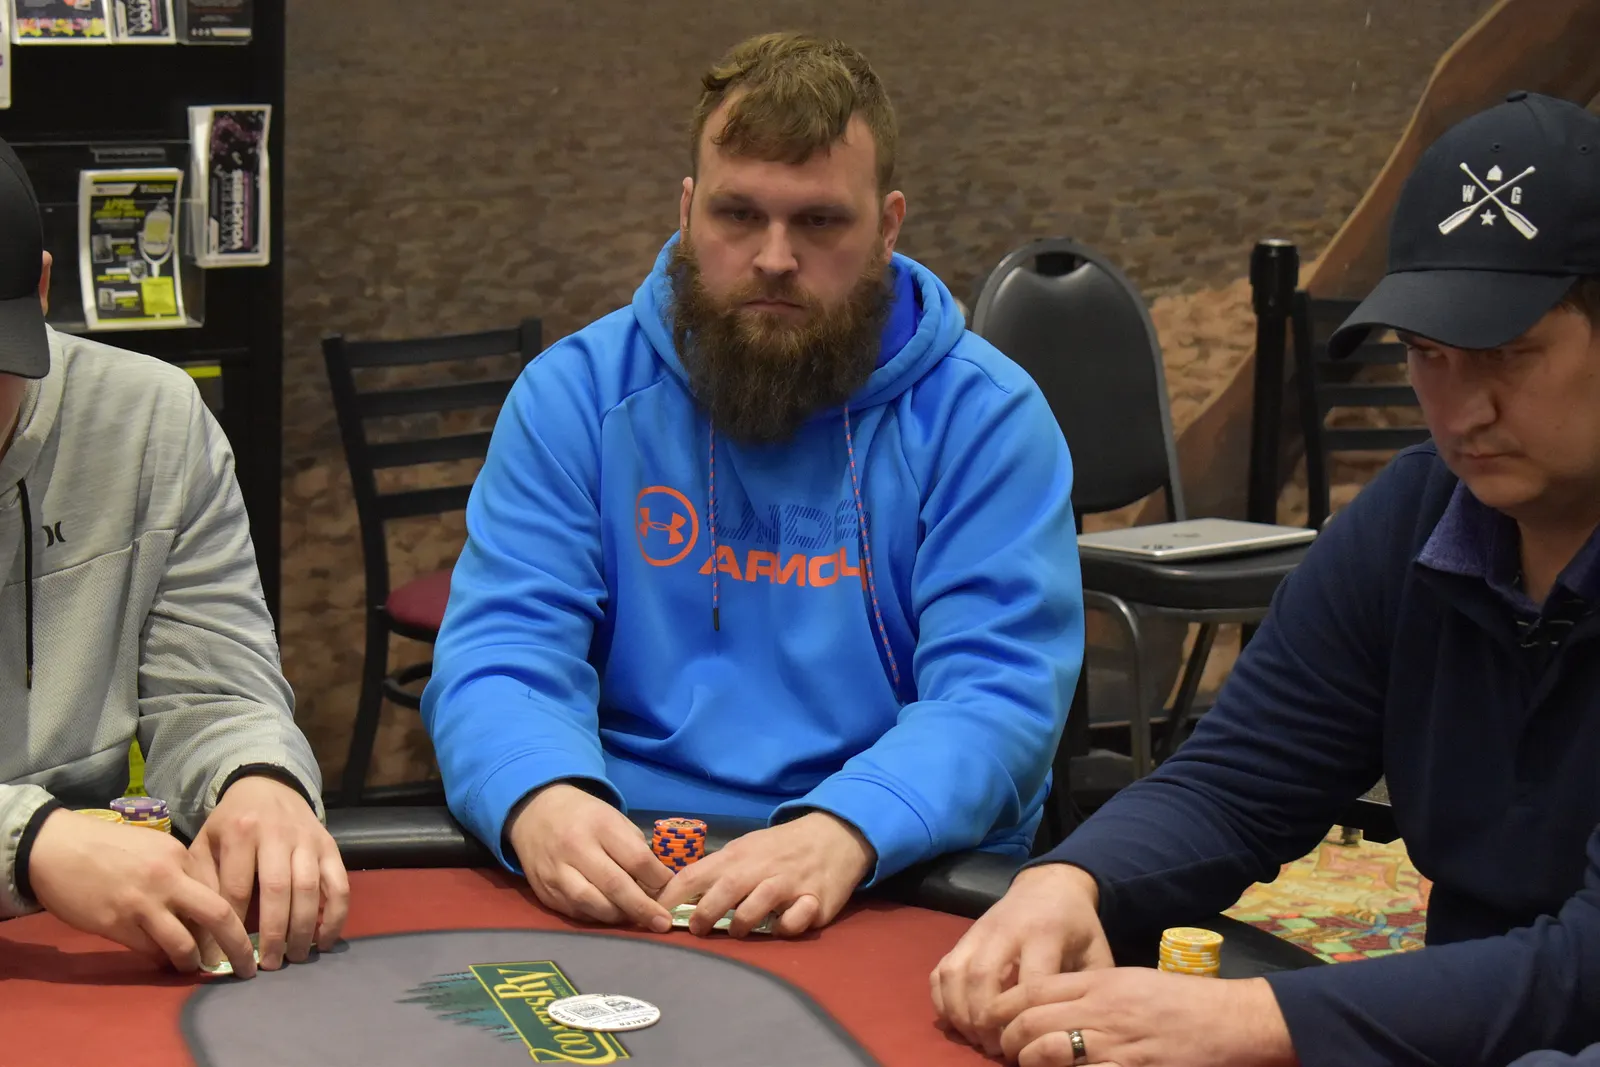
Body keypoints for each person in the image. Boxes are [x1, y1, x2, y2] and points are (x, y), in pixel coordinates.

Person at [930, 90, 1600, 1067]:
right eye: (1428, 354)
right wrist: (1069, 882)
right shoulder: (1412, 519)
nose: (1461, 411)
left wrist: (1254, 1018)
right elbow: (1237, 782)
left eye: (1506, 354)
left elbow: (1585, 964)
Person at [423, 31, 1082, 940]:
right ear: (688, 210)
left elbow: (998, 696)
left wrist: (848, 824)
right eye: (738, 215)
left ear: (888, 227)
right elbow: (502, 652)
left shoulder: (988, 419)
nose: (775, 257)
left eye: (820, 222)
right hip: (629, 847)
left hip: (893, 859)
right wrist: (540, 791)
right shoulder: (575, 396)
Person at [0, 137, 347, 978]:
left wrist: (257, 776)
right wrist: (29, 841)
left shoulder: (152, 420)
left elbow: (214, 690)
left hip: (85, 951)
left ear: (41, 291)